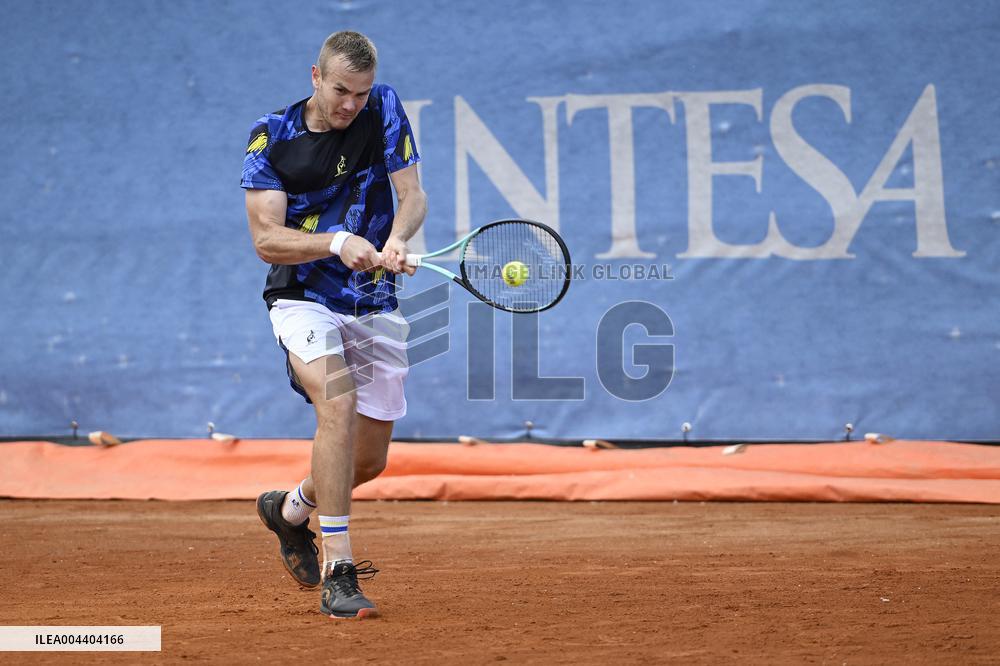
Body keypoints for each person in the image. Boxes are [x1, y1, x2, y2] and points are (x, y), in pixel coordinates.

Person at [241, 30, 426, 619]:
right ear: (315, 77)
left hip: (373, 299)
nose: (352, 105)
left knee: (367, 462)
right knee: (337, 404)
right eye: (342, 90)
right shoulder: (272, 138)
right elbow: (267, 240)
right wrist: (337, 240)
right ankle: (339, 569)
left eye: (361, 94)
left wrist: (396, 240)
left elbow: (412, 195)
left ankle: (290, 509)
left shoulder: (385, 108)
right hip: (302, 297)